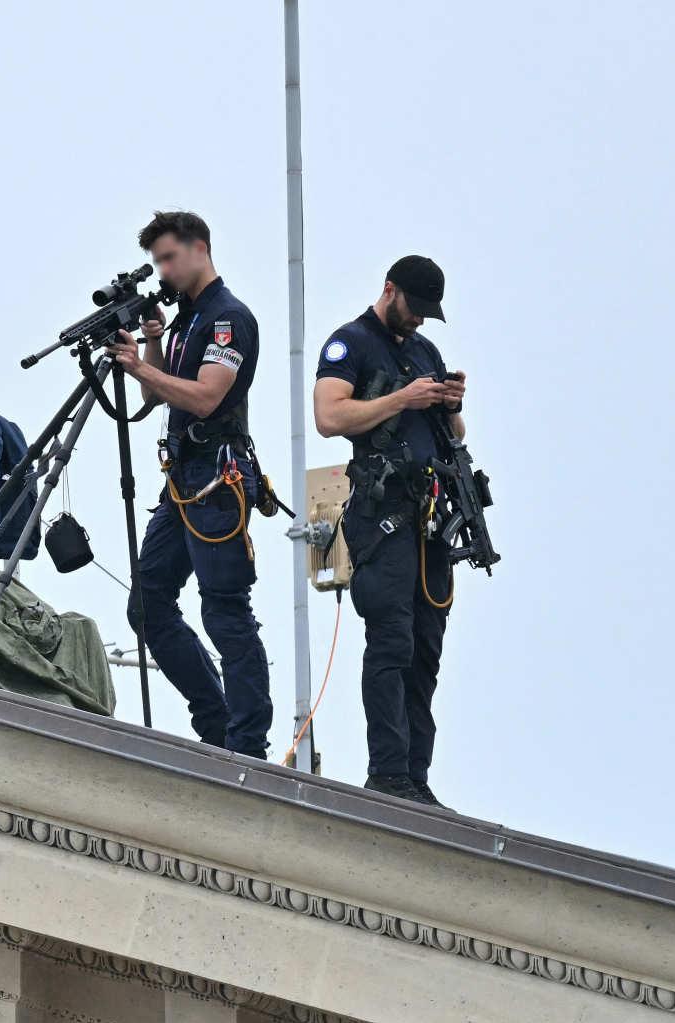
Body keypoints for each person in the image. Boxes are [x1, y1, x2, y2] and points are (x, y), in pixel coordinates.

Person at [111, 211, 273, 760]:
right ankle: (218, 719)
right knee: (148, 604)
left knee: (224, 609)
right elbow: (158, 397)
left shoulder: (228, 319)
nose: (163, 270)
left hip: (218, 478)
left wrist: (137, 366)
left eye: (168, 257)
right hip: (184, 479)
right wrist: (154, 342)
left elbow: (205, 396)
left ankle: (247, 741)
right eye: (157, 260)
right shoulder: (188, 319)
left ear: (199, 248)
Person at [313, 256, 467, 807]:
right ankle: (388, 773)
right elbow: (329, 418)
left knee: (426, 650)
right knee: (392, 642)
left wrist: (450, 405)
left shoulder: (424, 351)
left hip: (431, 520)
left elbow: (454, 433)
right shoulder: (350, 343)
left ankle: (415, 778)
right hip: (383, 517)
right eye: (415, 308)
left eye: (429, 313)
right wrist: (402, 398)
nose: (420, 322)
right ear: (390, 290)